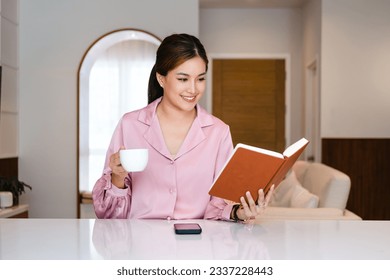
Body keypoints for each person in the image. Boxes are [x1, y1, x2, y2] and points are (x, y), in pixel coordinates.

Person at [92, 33, 274, 221]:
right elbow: (107, 215)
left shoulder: (218, 132)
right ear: (161, 79)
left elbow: (218, 207)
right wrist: (117, 178)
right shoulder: (130, 125)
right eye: (183, 79)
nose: (193, 89)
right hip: (140, 244)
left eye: (200, 79)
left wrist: (238, 212)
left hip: (197, 244)